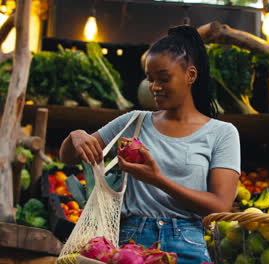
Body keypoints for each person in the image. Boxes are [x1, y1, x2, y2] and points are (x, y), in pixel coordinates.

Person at [59, 25, 240, 264]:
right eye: (150, 79)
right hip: (130, 244)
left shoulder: (222, 133)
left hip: (188, 245)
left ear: (191, 75)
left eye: (164, 79)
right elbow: (68, 156)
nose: (155, 87)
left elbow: (220, 205)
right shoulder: (133, 122)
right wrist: (77, 135)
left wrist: (158, 180)